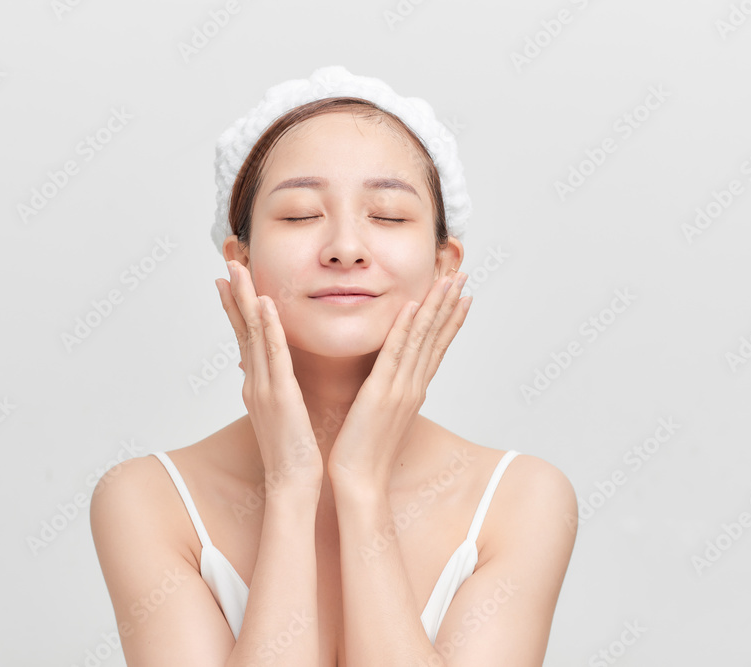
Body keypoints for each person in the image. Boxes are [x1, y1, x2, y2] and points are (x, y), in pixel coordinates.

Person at [90, 66, 578, 667]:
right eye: (299, 215)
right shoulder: (147, 500)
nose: (345, 247)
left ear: (444, 265)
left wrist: (361, 485)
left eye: (389, 216)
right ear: (240, 260)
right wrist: (293, 485)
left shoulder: (521, 501)